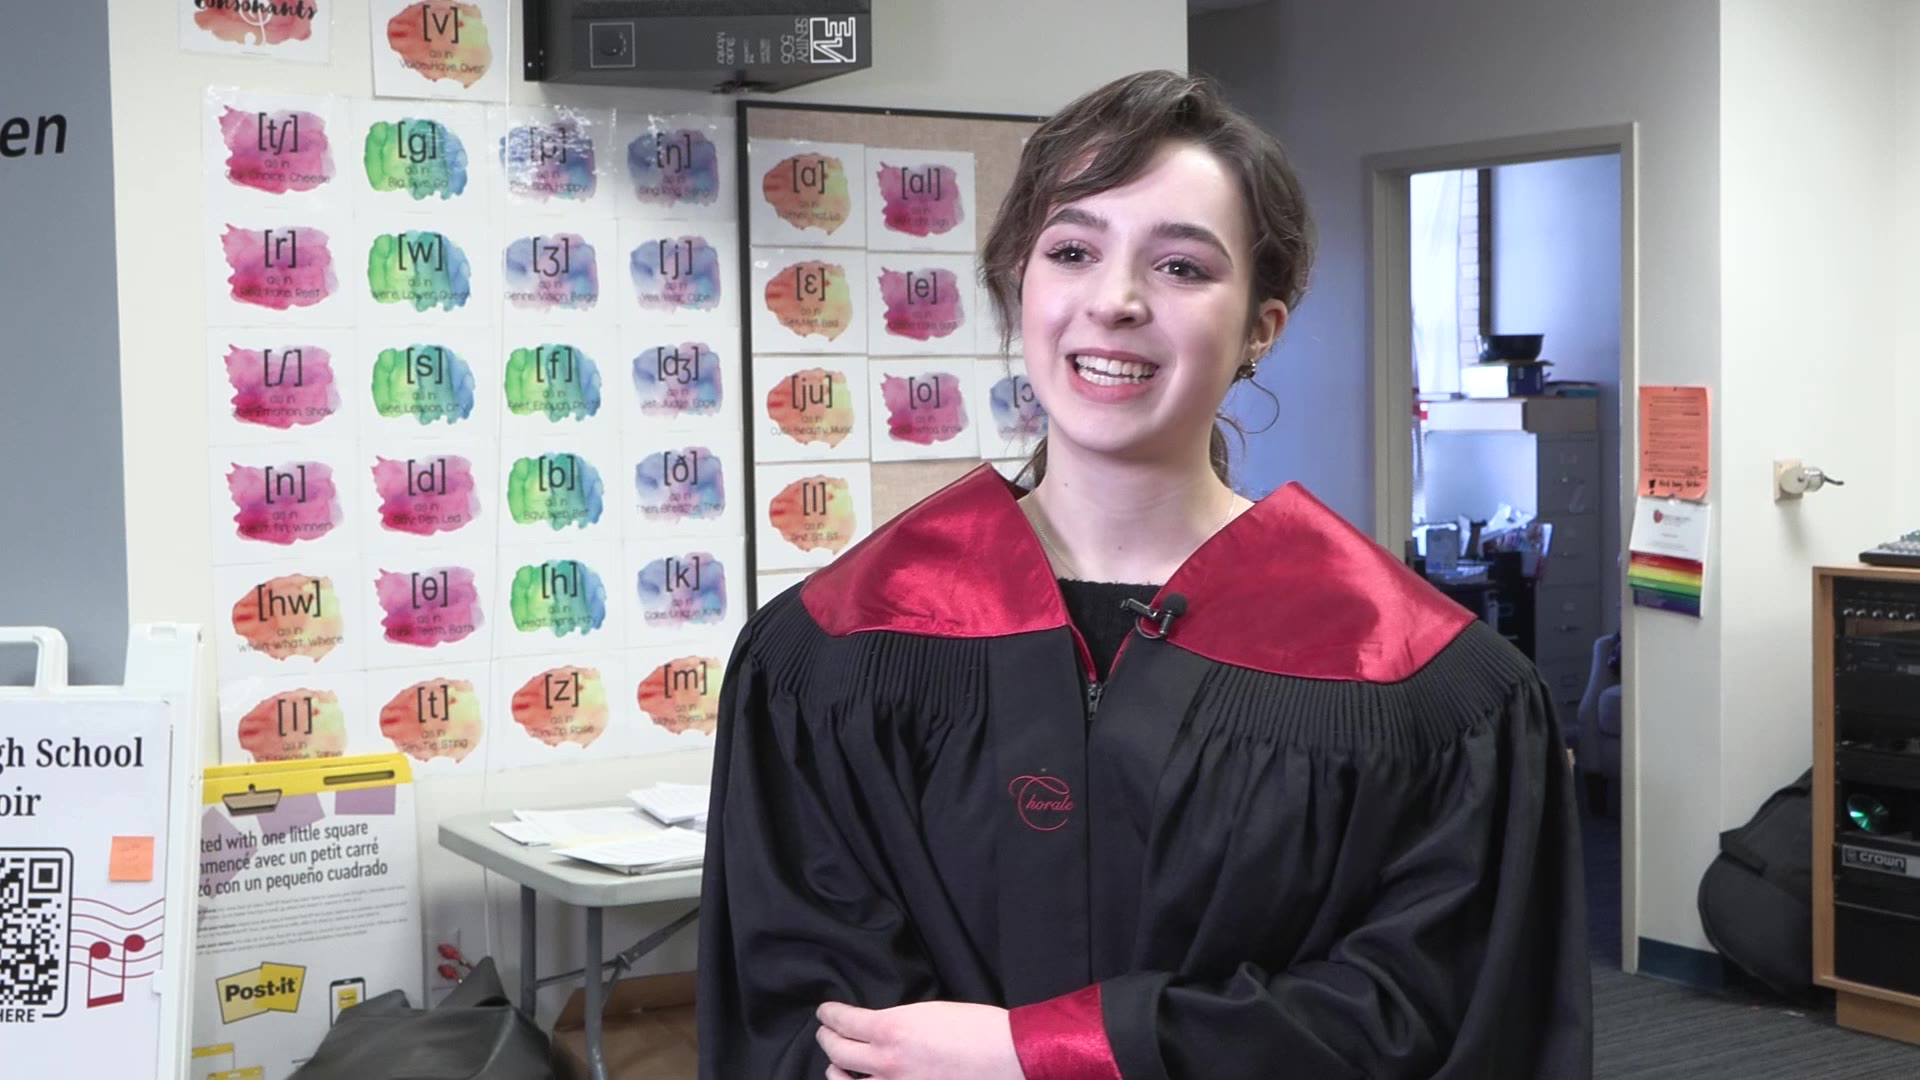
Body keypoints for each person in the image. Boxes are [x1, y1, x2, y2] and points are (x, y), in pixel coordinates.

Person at [697, 70, 1591, 1079]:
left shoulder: (1426, 688)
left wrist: (1042, 1054)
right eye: (1072, 251)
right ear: (1016, 287)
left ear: (1263, 326)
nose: (1115, 301)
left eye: (1180, 267)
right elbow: (800, 1013)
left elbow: (1433, 1017)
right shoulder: (832, 652)